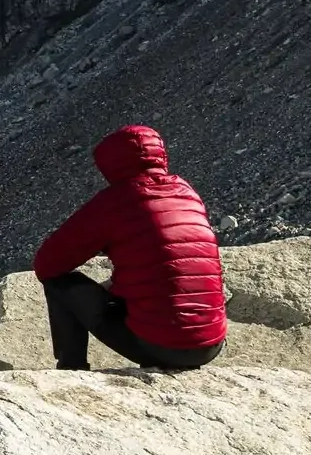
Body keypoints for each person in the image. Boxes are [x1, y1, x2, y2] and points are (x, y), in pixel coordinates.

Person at [32, 124, 228, 372]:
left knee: (58, 280)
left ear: (109, 164)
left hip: (161, 347)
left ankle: (72, 367)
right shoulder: (186, 191)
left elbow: (47, 262)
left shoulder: (116, 201)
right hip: (211, 345)